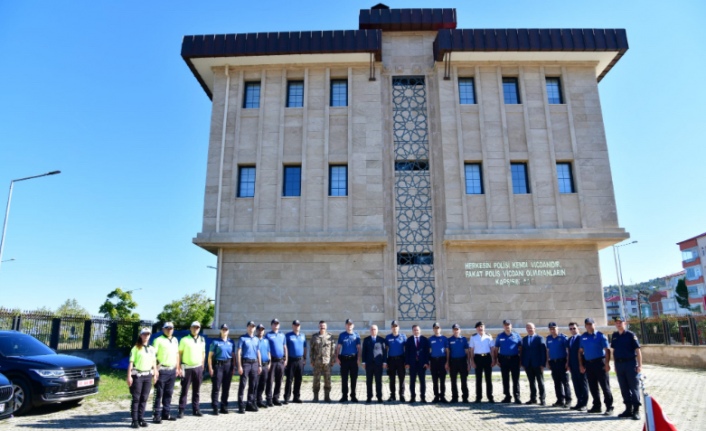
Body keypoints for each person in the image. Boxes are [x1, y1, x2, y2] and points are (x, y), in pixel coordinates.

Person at [578, 317, 614, 415]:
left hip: (600, 363)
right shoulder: (583, 337)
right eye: (587, 324)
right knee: (593, 386)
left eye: (590, 324)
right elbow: (580, 351)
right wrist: (581, 365)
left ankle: (609, 407)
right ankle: (596, 406)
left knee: (605, 386)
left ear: (594, 324)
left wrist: (607, 364)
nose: (589, 326)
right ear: (585, 326)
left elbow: (607, 350)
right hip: (589, 364)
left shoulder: (600, 336)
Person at [611, 316, 642, 420]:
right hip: (619, 365)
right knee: (624, 388)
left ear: (625, 323)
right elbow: (614, 351)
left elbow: (638, 351)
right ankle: (628, 409)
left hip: (630, 364)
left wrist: (640, 365)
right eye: (617, 323)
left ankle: (636, 410)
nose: (618, 324)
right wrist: (615, 365)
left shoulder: (630, 335)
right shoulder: (615, 335)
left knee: (634, 388)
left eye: (620, 322)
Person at [127, 327, 158, 429]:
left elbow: (154, 362)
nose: (146, 336)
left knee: (144, 398)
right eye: (144, 334)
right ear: (140, 335)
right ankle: (134, 420)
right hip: (138, 376)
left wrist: (156, 372)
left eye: (148, 334)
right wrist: (129, 376)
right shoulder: (135, 348)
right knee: (136, 398)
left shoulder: (152, 349)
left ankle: (141, 418)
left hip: (148, 375)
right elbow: (131, 363)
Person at [152, 321, 179, 423]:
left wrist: (178, 367)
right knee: (159, 393)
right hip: (162, 370)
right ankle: (156, 415)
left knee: (169, 393)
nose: (169, 329)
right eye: (167, 328)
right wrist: (155, 369)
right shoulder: (158, 340)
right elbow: (153, 355)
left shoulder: (175, 340)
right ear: (163, 329)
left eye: (171, 328)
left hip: (172, 370)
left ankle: (166, 414)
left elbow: (177, 354)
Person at [178, 321, 206, 418]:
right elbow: (179, 354)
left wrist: (202, 364)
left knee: (196, 390)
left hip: (198, 367)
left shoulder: (202, 339)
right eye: (194, 327)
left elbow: (203, 353)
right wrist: (179, 367)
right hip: (187, 368)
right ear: (190, 328)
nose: (195, 329)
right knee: (184, 390)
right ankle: (181, 410)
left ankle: (196, 409)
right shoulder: (184, 340)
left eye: (197, 327)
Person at [492, 319, 522, 404]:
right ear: (503, 326)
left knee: (515, 379)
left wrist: (521, 359)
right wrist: (496, 359)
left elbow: (520, 348)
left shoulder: (516, 335)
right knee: (505, 378)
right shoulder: (500, 336)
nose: (507, 326)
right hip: (503, 360)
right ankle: (507, 396)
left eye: (508, 325)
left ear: (511, 326)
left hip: (514, 359)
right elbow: (496, 349)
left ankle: (517, 396)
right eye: (505, 325)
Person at [208, 323, 235, 415]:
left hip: (228, 365)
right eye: (223, 329)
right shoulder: (215, 342)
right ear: (220, 330)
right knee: (216, 387)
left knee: (226, 387)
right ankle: (215, 406)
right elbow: (210, 356)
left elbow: (233, 355)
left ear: (228, 331)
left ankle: (224, 406)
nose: (224, 331)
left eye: (226, 329)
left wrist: (233, 367)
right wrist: (210, 368)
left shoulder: (231, 342)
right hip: (218, 365)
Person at [237, 321, 262, 413]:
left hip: (254, 363)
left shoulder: (256, 339)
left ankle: (249, 404)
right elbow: (239, 352)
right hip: (246, 363)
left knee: (253, 384)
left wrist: (259, 365)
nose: (251, 328)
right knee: (243, 384)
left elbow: (258, 352)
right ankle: (240, 405)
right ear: (247, 327)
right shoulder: (242, 338)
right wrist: (239, 366)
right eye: (250, 326)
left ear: (255, 328)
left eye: (253, 327)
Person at [546, 322, 572, 408]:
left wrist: (568, 363)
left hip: (562, 362)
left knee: (565, 382)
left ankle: (568, 400)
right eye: (551, 329)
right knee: (556, 382)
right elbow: (548, 351)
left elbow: (568, 351)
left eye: (554, 328)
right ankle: (560, 400)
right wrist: (547, 362)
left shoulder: (563, 338)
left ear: (558, 328)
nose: (552, 330)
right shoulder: (548, 338)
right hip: (553, 362)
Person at [521, 322, 546, 406]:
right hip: (528, 364)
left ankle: (542, 399)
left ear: (534, 329)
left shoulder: (540, 338)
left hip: (538, 364)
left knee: (540, 382)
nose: (530, 329)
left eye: (531, 328)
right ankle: (533, 398)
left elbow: (543, 352)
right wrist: (523, 363)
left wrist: (543, 364)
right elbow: (523, 352)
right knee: (531, 382)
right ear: (526, 329)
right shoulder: (524, 339)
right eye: (528, 328)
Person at [336, 318, 361, 402]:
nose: (349, 326)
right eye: (347, 324)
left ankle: (353, 396)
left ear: (353, 325)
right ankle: (344, 396)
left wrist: (358, 359)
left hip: (354, 359)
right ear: (345, 325)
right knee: (344, 378)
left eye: (350, 324)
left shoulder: (356, 335)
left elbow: (359, 348)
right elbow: (338, 347)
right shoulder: (342, 335)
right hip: (344, 359)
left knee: (354, 378)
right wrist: (337, 357)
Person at [310, 320, 336, 402]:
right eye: (321, 326)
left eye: (324, 326)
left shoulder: (330, 337)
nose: (322, 327)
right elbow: (311, 350)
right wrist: (312, 360)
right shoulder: (314, 337)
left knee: (327, 380)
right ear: (319, 327)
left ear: (326, 327)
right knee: (316, 380)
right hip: (317, 362)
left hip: (327, 362)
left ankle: (327, 397)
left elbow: (333, 349)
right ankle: (315, 397)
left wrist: (333, 360)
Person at [469, 321, 494, 403]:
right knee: (478, 379)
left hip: (487, 358)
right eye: (478, 327)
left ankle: (490, 396)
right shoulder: (473, 337)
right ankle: (478, 397)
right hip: (478, 358)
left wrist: (493, 359)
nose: (480, 328)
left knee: (488, 379)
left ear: (484, 327)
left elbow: (492, 349)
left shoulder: (488, 336)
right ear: (476, 328)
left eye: (482, 326)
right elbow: (471, 350)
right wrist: (472, 361)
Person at [362, 324, 387, 403]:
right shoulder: (366, 340)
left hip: (378, 364)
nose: (373, 331)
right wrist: (363, 362)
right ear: (370, 331)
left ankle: (379, 397)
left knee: (378, 381)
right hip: (369, 364)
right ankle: (369, 397)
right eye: (372, 329)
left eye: (375, 329)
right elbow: (364, 352)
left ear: (377, 330)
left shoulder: (381, 340)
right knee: (369, 381)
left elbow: (384, 352)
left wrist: (384, 362)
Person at [404, 324, 429, 403]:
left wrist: (426, 362)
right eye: (414, 330)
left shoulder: (425, 339)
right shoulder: (409, 340)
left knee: (422, 381)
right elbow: (407, 352)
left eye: (417, 330)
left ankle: (423, 397)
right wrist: (407, 363)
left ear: (420, 330)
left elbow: (427, 352)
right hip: (412, 364)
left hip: (422, 364)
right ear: (412, 331)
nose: (416, 331)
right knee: (412, 381)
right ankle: (412, 397)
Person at [567, 321, 589, 411]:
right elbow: (569, 353)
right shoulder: (569, 339)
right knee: (576, 384)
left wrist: (583, 365)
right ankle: (579, 402)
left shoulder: (582, 338)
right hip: (573, 365)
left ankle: (584, 404)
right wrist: (568, 364)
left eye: (574, 328)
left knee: (583, 384)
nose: (572, 330)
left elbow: (583, 352)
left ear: (578, 329)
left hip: (581, 365)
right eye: (571, 329)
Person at [266, 318, 288, 406]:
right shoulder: (268, 335)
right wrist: (269, 361)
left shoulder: (282, 335)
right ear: (271, 325)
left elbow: (285, 347)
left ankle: (276, 398)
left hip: (281, 361)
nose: (276, 325)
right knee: (270, 381)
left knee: (279, 380)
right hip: (273, 361)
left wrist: (286, 359)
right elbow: (267, 349)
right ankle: (269, 399)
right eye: (274, 324)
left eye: (277, 324)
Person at [284, 319, 306, 404]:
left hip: (300, 360)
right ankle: (286, 397)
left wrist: (304, 358)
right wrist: (285, 359)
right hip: (291, 360)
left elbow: (305, 348)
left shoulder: (303, 335)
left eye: (298, 325)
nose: (297, 326)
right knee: (289, 379)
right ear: (292, 326)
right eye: (295, 325)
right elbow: (285, 348)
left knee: (299, 379)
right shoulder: (288, 336)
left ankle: (296, 397)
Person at [446, 323, 469, 403]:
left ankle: (465, 397)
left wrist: (468, 363)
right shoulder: (449, 340)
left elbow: (467, 352)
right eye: (454, 329)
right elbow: (448, 353)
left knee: (464, 380)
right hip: (453, 362)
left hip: (462, 361)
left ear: (460, 330)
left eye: (457, 329)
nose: (456, 331)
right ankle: (454, 397)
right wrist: (447, 363)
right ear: (453, 330)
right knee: (453, 381)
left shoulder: (464, 339)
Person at [385, 320, 406, 402]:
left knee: (402, 378)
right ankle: (392, 395)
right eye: (393, 326)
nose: (394, 328)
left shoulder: (403, 337)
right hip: (391, 360)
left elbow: (406, 349)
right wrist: (385, 361)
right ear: (391, 328)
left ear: (398, 327)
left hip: (401, 360)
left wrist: (406, 361)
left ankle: (402, 395)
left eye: (396, 326)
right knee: (392, 378)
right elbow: (385, 350)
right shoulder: (388, 337)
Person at [429, 322, 448, 403]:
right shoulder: (430, 339)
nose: (437, 329)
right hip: (433, 361)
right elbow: (428, 351)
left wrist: (447, 362)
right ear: (433, 329)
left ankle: (442, 396)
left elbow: (447, 351)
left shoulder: (444, 339)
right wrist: (429, 362)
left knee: (442, 380)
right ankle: (436, 396)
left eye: (438, 328)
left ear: (440, 329)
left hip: (442, 360)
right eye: (435, 328)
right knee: (435, 380)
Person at [255, 324, 271, 409]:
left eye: (262, 330)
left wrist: (269, 363)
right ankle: (253, 401)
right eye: (259, 330)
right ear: (257, 330)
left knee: (262, 383)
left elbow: (268, 352)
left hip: (265, 364)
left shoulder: (266, 340)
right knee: (256, 383)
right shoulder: (254, 340)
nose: (261, 331)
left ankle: (260, 400)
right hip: (257, 365)